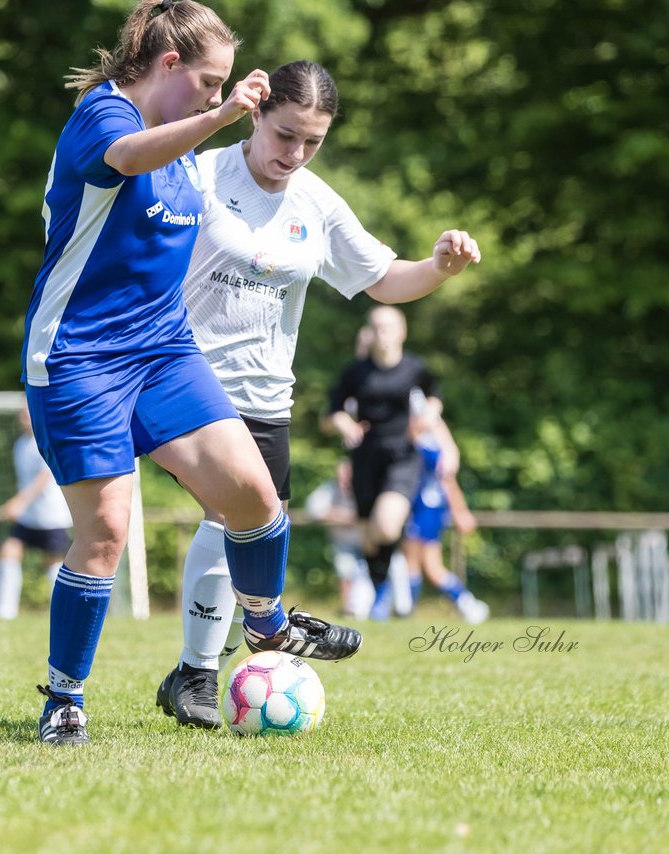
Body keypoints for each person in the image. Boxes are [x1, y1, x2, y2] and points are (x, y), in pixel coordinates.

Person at [22, 2, 362, 746]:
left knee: (256, 497)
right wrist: (222, 118)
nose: (218, 98)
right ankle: (65, 699)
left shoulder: (186, 144)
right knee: (107, 531)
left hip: (163, 351)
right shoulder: (103, 116)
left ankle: (267, 622)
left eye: (226, 87)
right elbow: (126, 158)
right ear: (168, 66)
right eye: (209, 84)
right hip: (78, 356)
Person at [153, 59, 482, 730]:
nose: (294, 155)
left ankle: (224, 651)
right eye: (284, 136)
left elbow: (384, 278)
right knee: (235, 517)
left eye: (312, 142)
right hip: (185, 376)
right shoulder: (201, 172)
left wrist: (438, 267)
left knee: (249, 522)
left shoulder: (316, 201)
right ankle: (208, 665)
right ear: (254, 115)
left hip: (268, 396)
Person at [325, 305, 464, 622]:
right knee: (369, 537)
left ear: (402, 332)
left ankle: (380, 585)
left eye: (388, 327)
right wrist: (344, 424)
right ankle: (380, 589)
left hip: (403, 456)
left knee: (386, 527)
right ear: (368, 333)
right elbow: (334, 410)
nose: (382, 333)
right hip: (365, 459)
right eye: (376, 327)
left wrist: (430, 415)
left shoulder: (415, 368)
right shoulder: (355, 371)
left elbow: (434, 396)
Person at [399, 410, 489, 624]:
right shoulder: (431, 445)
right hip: (429, 508)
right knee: (429, 566)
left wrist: (460, 511)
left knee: (419, 564)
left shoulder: (427, 446)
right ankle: (467, 604)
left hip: (424, 508)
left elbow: (448, 480)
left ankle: (410, 611)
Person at [0, 406, 72, 620]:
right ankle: (5, 612)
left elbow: (43, 478)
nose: (25, 418)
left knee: (53, 562)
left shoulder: (46, 440)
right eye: (22, 414)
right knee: (9, 550)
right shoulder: (20, 445)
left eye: (29, 413)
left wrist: (19, 502)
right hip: (29, 517)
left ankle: (63, 613)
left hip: (51, 517)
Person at [304, 458, 373, 619]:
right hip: (342, 541)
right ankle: (349, 609)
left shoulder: (365, 486)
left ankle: (372, 610)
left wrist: (352, 517)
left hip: (367, 540)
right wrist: (340, 515)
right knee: (345, 571)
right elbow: (313, 509)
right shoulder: (330, 489)